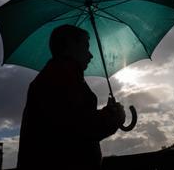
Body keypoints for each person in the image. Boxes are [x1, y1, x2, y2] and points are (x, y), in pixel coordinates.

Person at [17, 24, 126, 170]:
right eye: (86, 46)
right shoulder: (60, 77)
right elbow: (79, 128)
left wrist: (108, 113)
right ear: (69, 45)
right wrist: (113, 117)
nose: (91, 54)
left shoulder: (61, 75)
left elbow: (73, 117)